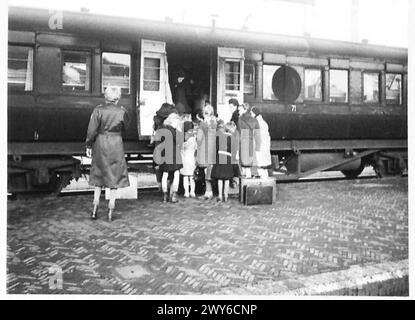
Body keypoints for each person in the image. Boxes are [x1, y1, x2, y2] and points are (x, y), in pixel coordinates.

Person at [85, 86, 129, 222]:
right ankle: (110, 210)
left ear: (106, 96)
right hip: (116, 143)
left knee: (99, 174)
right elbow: (126, 128)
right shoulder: (122, 111)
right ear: (118, 97)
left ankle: (94, 209)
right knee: (114, 176)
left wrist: (88, 144)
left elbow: (91, 130)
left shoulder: (98, 110)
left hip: (101, 143)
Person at [155, 112, 183, 203]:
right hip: (174, 155)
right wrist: (178, 130)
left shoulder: (161, 129)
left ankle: (164, 195)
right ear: (174, 120)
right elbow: (180, 141)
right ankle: (174, 195)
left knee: (165, 174)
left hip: (164, 155)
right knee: (176, 174)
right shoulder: (174, 130)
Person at [211, 121, 239, 202]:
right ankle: (226, 196)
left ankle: (220, 195)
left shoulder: (219, 137)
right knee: (227, 178)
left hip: (219, 158)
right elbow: (234, 151)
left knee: (220, 178)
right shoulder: (233, 139)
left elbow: (215, 148)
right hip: (228, 159)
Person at [196, 103, 217, 199]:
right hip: (213, 150)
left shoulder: (203, 124)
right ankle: (210, 191)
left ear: (204, 113)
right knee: (210, 170)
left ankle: (208, 192)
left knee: (206, 171)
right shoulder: (215, 123)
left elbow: (199, 138)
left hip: (205, 150)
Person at [237, 103, 261, 178]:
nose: (238, 112)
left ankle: (245, 184)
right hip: (251, 144)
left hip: (243, 145)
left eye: (240, 110)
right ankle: (250, 180)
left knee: (244, 166)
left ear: (245, 109)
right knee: (250, 166)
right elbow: (258, 135)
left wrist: (237, 149)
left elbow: (239, 136)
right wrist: (258, 147)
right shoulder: (255, 120)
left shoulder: (240, 120)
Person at [251, 106, 272, 178]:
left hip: (259, 146)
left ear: (254, 113)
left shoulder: (257, 122)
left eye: (251, 113)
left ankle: (262, 179)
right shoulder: (263, 122)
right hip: (264, 145)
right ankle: (264, 178)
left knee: (260, 163)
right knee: (263, 165)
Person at [180, 121, 197, 198]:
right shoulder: (193, 138)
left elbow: (180, 148)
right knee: (192, 177)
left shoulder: (182, 138)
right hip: (191, 158)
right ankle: (192, 192)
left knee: (185, 177)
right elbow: (196, 148)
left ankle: (186, 192)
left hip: (184, 159)